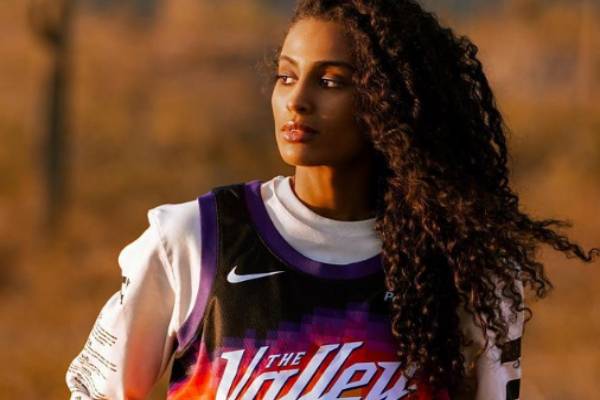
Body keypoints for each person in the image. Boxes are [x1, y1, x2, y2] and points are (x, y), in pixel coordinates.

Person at [65, 1, 599, 399]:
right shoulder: (196, 239)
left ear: (393, 101)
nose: (296, 100)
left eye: (331, 81)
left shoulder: (468, 269)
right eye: (287, 76)